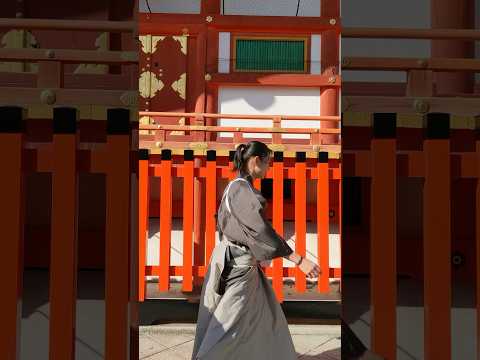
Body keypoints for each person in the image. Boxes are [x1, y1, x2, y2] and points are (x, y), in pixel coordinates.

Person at [191, 141, 321, 360]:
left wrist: (257, 252)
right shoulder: (241, 189)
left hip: (240, 263)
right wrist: (299, 260)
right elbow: (260, 230)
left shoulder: (239, 187)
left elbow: (239, 228)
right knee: (226, 327)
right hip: (237, 269)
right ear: (255, 161)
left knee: (262, 320)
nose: (269, 167)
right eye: (267, 162)